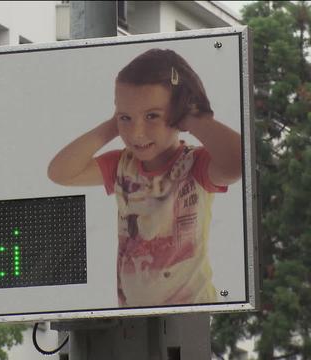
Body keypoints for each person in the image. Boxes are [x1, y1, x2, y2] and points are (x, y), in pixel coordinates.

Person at [47, 48, 242, 307]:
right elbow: (60, 173)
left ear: (179, 114)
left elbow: (239, 162)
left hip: (190, 313)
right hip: (134, 316)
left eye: (152, 116)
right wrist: (112, 125)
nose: (136, 132)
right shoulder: (122, 165)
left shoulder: (195, 166)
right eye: (126, 117)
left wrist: (194, 119)